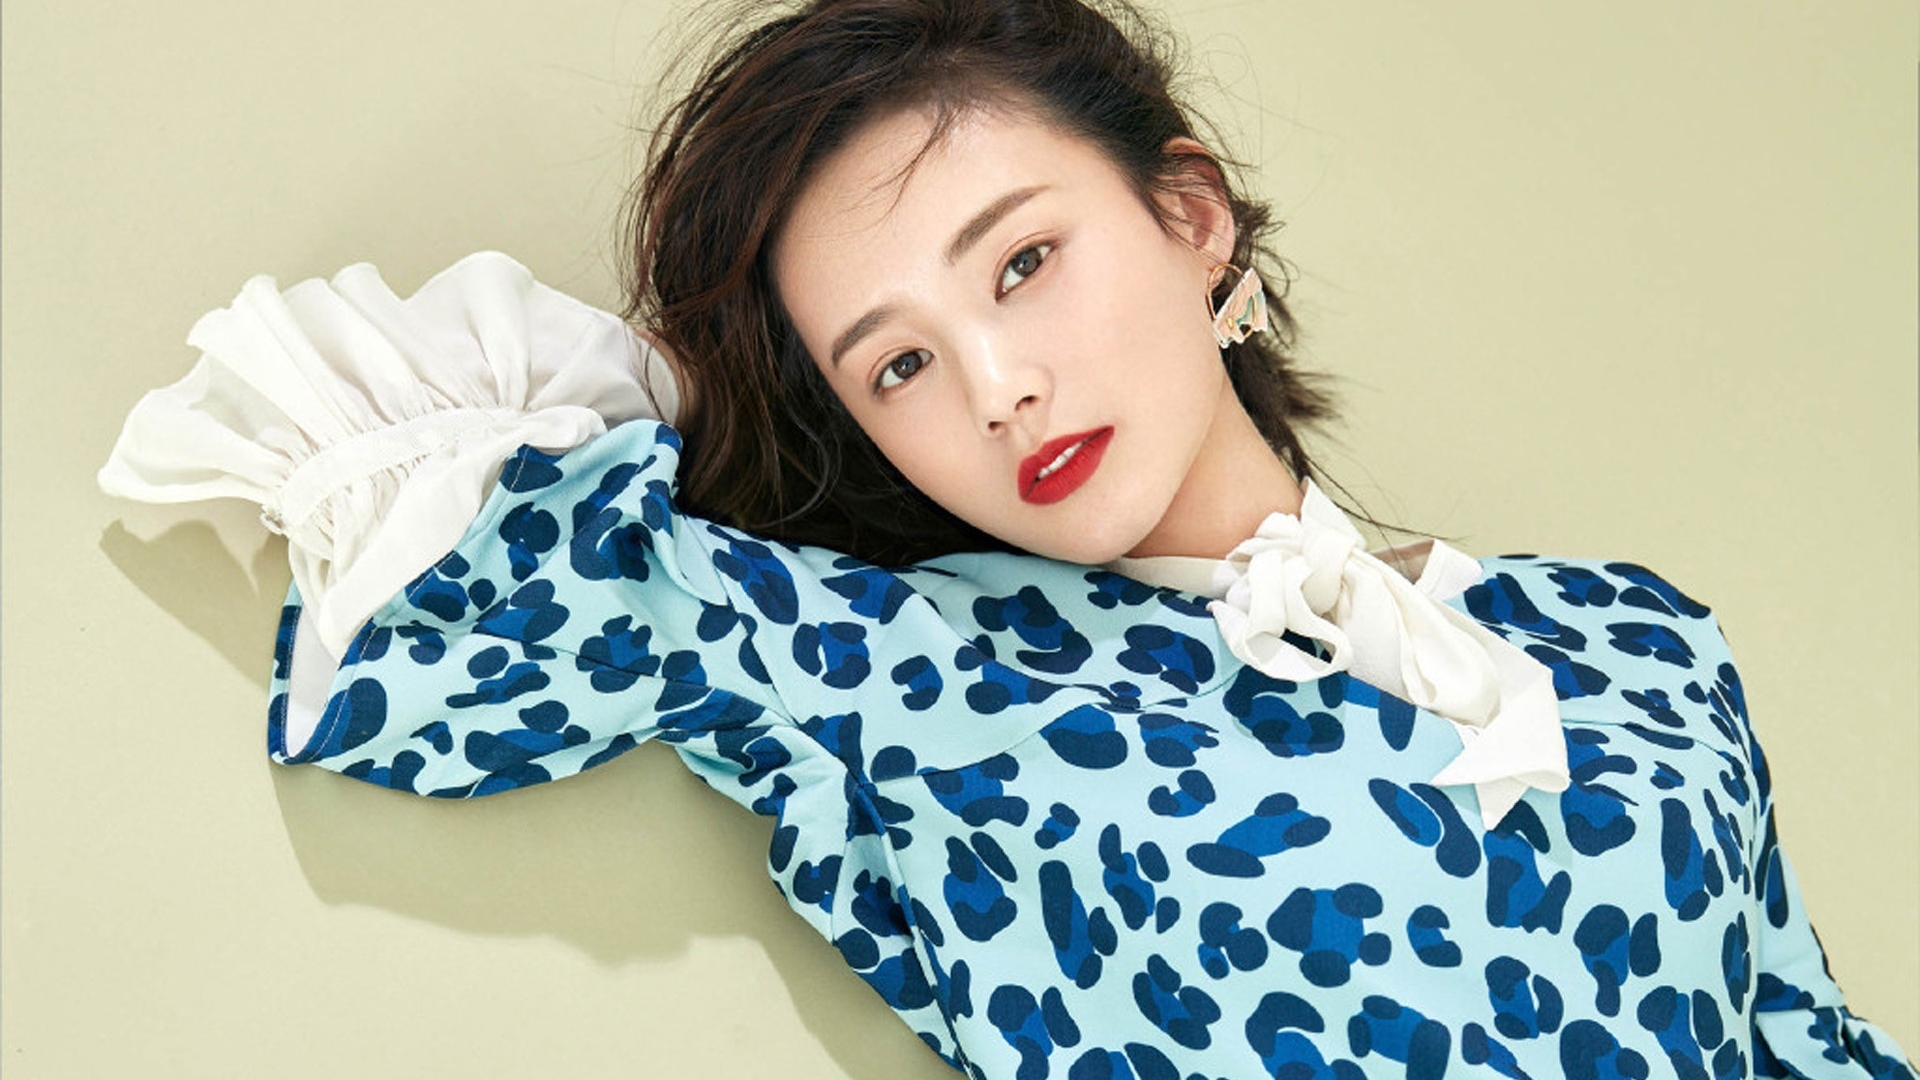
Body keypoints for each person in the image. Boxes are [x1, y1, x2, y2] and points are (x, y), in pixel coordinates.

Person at [97, 1, 1914, 1077]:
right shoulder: (914, 675)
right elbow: (434, 643)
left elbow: (1810, 1043)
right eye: (894, 365)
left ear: (1191, 217)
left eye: (1024, 262)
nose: (997, 387)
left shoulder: (1636, 640)